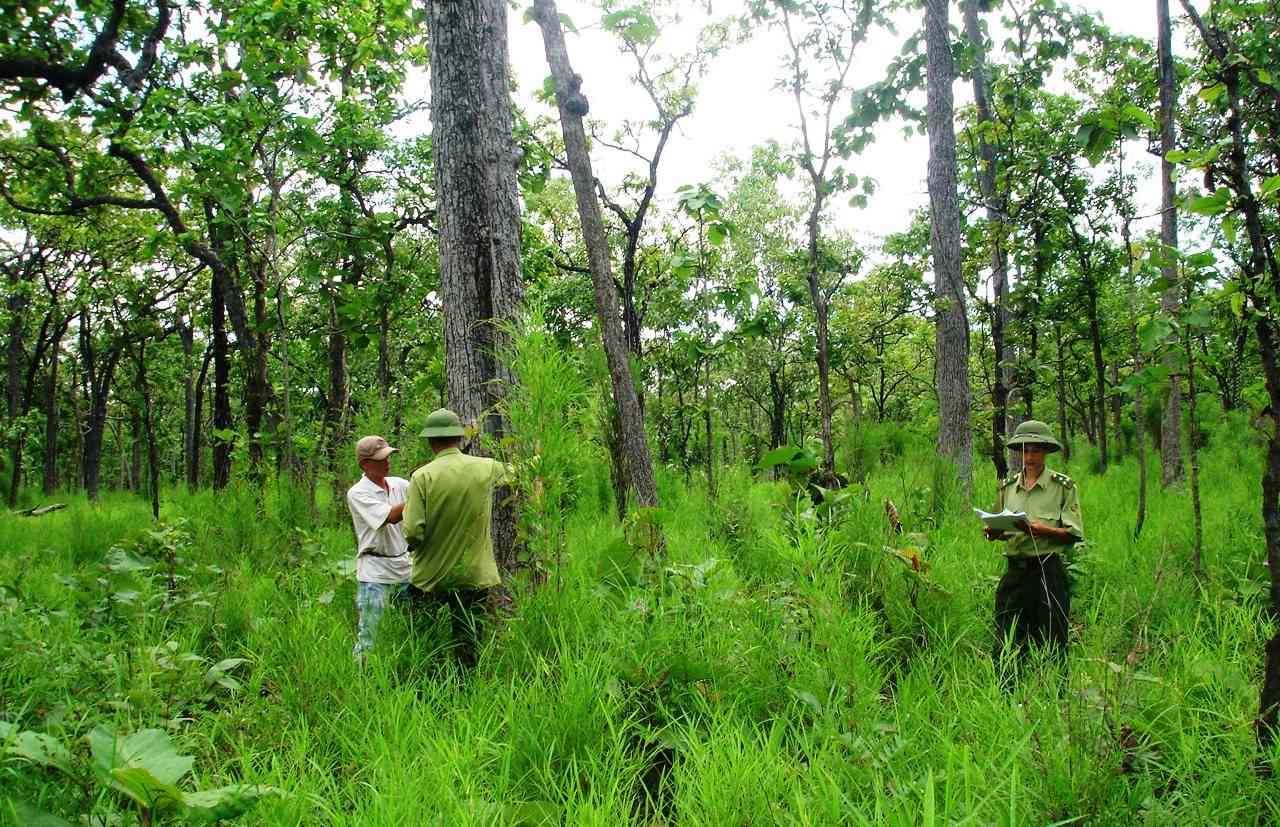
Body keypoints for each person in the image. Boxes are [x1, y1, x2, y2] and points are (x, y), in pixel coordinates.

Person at [401, 408, 511, 667]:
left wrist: (416, 546)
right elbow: (521, 472)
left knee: (426, 643)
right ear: (460, 438)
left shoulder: (422, 476)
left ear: (430, 441)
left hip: (431, 577)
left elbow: (413, 532)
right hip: (475, 575)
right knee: (468, 642)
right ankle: (467, 684)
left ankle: (430, 682)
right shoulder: (486, 468)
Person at [982, 420, 1084, 665]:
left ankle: (1054, 685)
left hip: (1047, 571)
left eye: (1036, 451)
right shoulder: (1008, 488)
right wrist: (992, 532)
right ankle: (1006, 685)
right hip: (1015, 572)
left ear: (1045, 452)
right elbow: (998, 529)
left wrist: (1042, 530)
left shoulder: (1062, 487)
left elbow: (1073, 533)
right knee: (1007, 638)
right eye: (1025, 450)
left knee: (1053, 639)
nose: (1029, 457)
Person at [346, 435, 412, 659]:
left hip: (404, 567)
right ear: (365, 464)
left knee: (409, 628)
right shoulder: (358, 493)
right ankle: (363, 673)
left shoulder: (398, 484)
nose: (387, 462)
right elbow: (391, 516)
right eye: (380, 459)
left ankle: (403, 666)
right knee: (370, 635)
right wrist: (420, 495)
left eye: (387, 457)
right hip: (375, 572)